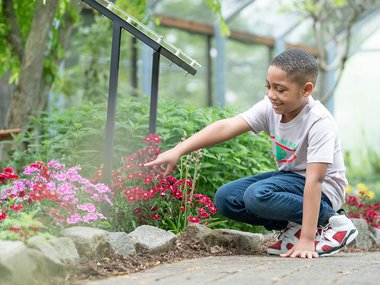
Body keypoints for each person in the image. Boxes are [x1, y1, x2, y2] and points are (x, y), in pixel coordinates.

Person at [145, 48, 358, 259]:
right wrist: (178, 150)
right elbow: (227, 126)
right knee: (226, 198)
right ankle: (294, 227)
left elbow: (315, 180)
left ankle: (333, 221)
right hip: (291, 182)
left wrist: (308, 241)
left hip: (323, 192)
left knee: (257, 196)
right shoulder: (270, 108)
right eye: (268, 86)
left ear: (306, 89)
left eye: (280, 89)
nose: (271, 95)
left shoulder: (319, 122)